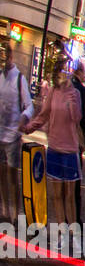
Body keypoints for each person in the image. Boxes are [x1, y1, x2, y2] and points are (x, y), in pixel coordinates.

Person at [22, 53, 83, 227]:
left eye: (62, 71)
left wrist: (71, 100)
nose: (60, 75)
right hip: (54, 147)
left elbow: (76, 118)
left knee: (69, 195)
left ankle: (74, 234)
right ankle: (62, 231)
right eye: (57, 72)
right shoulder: (54, 91)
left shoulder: (75, 93)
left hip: (70, 150)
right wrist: (29, 127)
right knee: (56, 194)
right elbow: (44, 114)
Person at [0, 40, 35, 222]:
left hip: (13, 135)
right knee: (1, 175)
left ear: (11, 56)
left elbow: (29, 106)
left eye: (5, 54)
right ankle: (5, 209)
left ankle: (14, 213)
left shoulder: (19, 78)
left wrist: (24, 118)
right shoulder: (0, 76)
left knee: (12, 175)